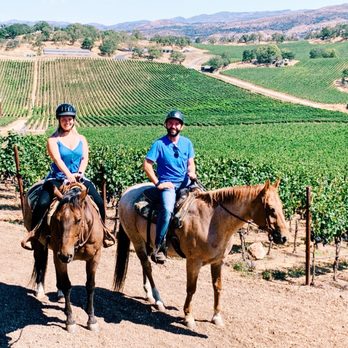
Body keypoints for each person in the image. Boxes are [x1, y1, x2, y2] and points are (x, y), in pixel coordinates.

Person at [23, 103, 114, 248]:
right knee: (42, 203)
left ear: (74, 120)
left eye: (70, 119)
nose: (67, 121)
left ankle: (104, 232)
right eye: (64, 119)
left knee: (100, 203)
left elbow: (85, 158)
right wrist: (68, 175)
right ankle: (34, 234)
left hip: (79, 178)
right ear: (59, 120)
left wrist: (80, 173)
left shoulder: (82, 139)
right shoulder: (53, 140)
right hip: (58, 178)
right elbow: (57, 159)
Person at [143, 109, 196, 263]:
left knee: (205, 200)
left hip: (186, 181)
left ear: (181, 127)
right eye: (171, 123)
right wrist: (158, 183)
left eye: (177, 123)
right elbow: (147, 165)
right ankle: (159, 246)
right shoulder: (159, 144)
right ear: (166, 124)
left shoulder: (187, 143)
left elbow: (190, 163)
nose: (173, 126)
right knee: (166, 209)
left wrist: (192, 172)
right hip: (169, 184)